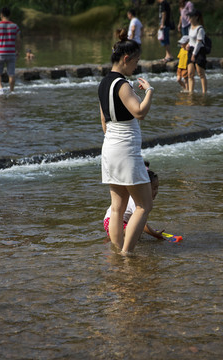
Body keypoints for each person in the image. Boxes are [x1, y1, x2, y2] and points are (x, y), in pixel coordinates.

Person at [98, 29, 154, 255]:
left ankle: (117, 251)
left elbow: (103, 120)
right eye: (136, 62)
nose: (136, 67)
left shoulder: (103, 84)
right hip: (125, 149)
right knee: (144, 205)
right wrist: (149, 91)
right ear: (125, 59)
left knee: (117, 207)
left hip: (109, 147)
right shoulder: (122, 84)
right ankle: (127, 254)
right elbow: (139, 112)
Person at [103, 163, 165, 241]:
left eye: (157, 188)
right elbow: (143, 225)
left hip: (117, 219)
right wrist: (154, 234)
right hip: (111, 220)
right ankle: (111, 239)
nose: (156, 191)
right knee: (134, 233)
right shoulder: (136, 199)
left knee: (136, 232)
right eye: (154, 188)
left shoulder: (140, 197)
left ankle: (112, 238)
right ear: (145, 188)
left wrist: (151, 230)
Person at [0, 7, 21, 95]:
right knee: (11, 73)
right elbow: (18, 40)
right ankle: (11, 91)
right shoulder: (15, 26)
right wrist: (18, 51)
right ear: (9, 15)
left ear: (1, 15)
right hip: (11, 53)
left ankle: (0, 89)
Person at [187, 9, 207, 94]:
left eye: (191, 17)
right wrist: (188, 44)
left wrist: (194, 54)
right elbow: (191, 39)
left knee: (200, 73)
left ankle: (204, 92)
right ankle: (191, 92)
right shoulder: (190, 28)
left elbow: (199, 43)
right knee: (190, 74)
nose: (189, 18)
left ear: (196, 17)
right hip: (191, 50)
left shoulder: (200, 29)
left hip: (199, 51)